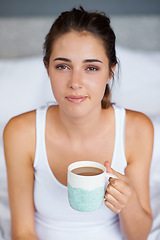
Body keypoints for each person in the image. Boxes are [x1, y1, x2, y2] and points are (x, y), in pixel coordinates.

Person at [3, 6, 154, 240]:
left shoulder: (137, 130)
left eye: (91, 68)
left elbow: (139, 236)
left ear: (110, 72)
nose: (75, 82)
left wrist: (128, 200)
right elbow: (22, 231)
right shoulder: (21, 132)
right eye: (62, 66)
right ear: (47, 68)